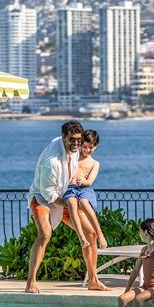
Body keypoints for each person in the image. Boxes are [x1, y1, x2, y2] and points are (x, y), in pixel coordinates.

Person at [25, 120, 109, 293]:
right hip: (42, 197)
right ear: (64, 137)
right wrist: (71, 204)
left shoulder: (75, 148)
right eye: (72, 139)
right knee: (45, 234)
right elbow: (48, 193)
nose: (76, 143)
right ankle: (30, 282)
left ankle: (93, 280)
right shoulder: (51, 162)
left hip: (64, 195)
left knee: (90, 233)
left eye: (79, 139)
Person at [63, 129, 108, 249]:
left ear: (95, 146)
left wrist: (82, 182)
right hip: (70, 188)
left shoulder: (95, 163)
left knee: (83, 202)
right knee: (72, 203)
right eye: (84, 147)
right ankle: (81, 237)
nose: (87, 150)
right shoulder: (73, 157)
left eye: (91, 147)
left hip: (85, 189)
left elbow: (89, 182)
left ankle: (100, 235)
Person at [118, 219, 154, 307]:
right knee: (122, 299)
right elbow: (135, 271)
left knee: (139, 299)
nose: (139, 233)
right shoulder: (144, 249)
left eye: (140, 231)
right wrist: (126, 291)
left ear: (145, 232)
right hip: (146, 287)